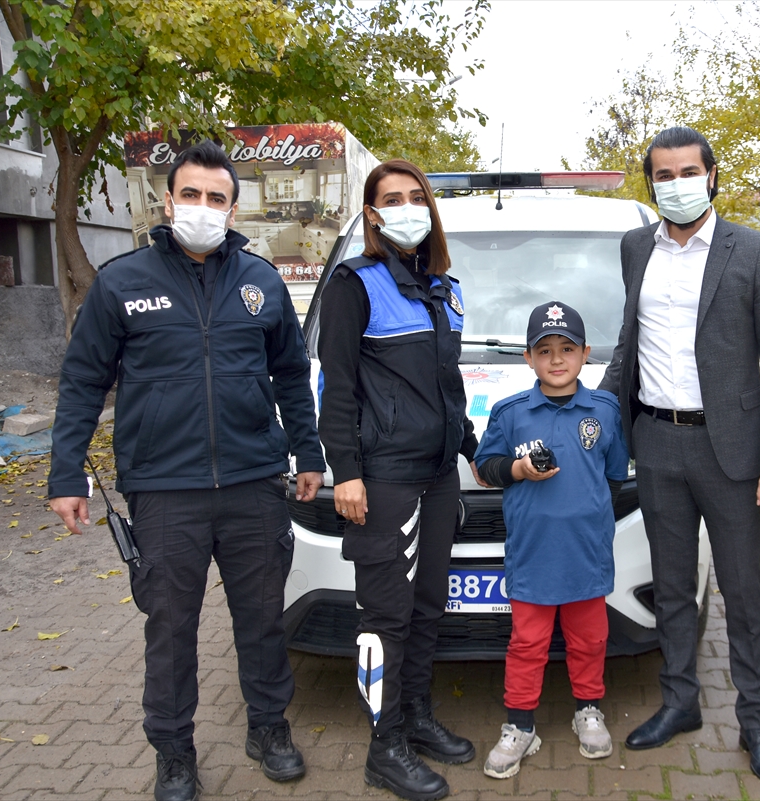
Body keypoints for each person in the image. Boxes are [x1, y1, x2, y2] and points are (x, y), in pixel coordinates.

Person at [47, 140, 325, 801]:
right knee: (169, 626)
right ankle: (173, 752)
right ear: (168, 201)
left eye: (216, 198)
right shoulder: (123, 282)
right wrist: (65, 475)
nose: (202, 207)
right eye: (190, 194)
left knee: (261, 617)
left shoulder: (261, 283)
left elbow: (290, 372)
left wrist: (308, 453)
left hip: (256, 481)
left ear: (234, 210)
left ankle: (268, 727)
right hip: (164, 488)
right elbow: (84, 380)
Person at [598, 126, 760, 786]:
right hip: (657, 441)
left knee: (742, 589)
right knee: (674, 585)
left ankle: (756, 720)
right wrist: (594, 415)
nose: (677, 183)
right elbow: (630, 343)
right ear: (650, 182)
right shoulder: (635, 247)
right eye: (663, 174)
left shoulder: (755, 250)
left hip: (733, 449)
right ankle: (680, 701)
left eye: (689, 170)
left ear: (712, 176)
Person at [317, 159, 482, 801]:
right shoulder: (352, 285)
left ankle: (415, 717)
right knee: (383, 616)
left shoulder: (447, 288)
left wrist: (474, 447)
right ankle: (383, 748)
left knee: (425, 607)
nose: (409, 207)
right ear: (373, 214)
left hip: (438, 475)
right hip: (382, 480)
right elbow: (338, 388)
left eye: (419, 197)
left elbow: (448, 388)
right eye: (394, 199)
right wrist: (346, 475)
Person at [472, 301, 630, 779]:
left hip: (586, 553)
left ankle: (588, 709)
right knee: (528, 643)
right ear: (528, 358)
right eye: (545, 351)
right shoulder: (511, 412)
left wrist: (588, 511)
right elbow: (485, 468)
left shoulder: (603, 409)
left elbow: (615, 475)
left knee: (589, 639)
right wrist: (517, 470)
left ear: (584, 354)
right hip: (534, 554)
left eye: (567, 349)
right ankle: (520, 724)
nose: (556, 360)